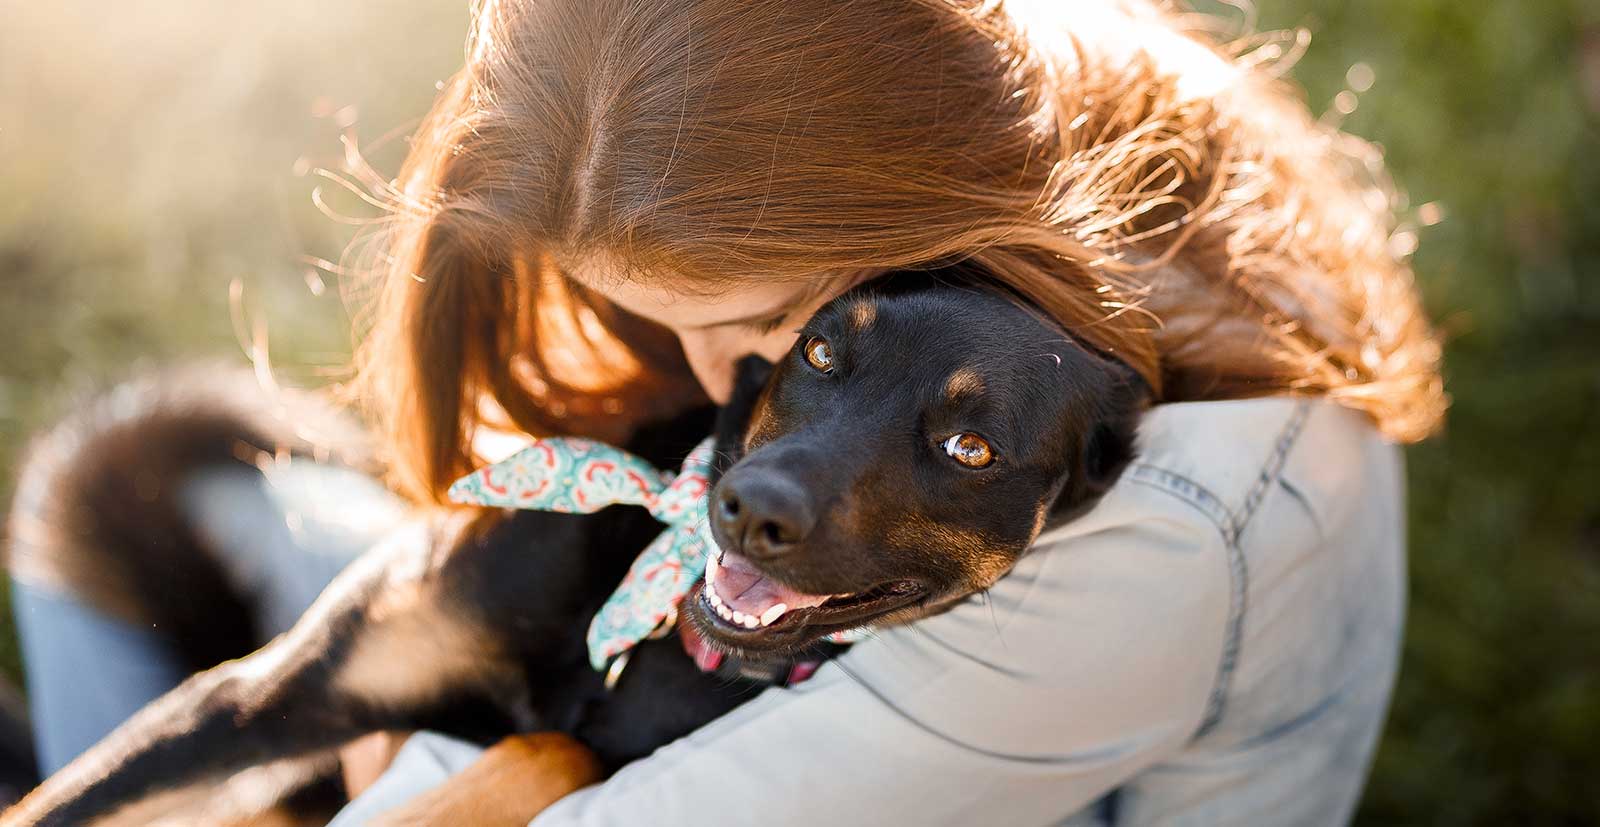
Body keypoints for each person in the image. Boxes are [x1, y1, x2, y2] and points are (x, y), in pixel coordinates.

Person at [8, 0, 1446, 824]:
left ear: (916, 228)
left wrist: (406, 740)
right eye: (657, 321)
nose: (717, 396)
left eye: (764, 326)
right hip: (664, 657)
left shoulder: (1128, 540)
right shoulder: (990, 113)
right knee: (135, 473)